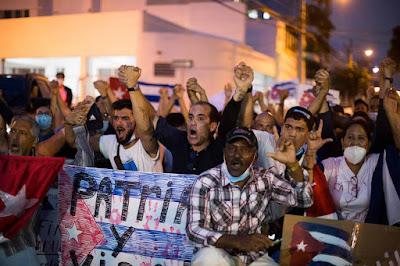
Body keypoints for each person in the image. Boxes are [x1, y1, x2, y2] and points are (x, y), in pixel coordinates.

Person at [186, 127, 315, 265]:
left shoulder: (265, 178)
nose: (236, 155)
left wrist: (293, 165)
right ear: (224, 152)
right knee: (208, 257)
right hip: (217, 253)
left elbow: (304, 199)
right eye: (232, 148)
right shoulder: (205, 181)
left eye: (245, 149)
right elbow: (194, 230)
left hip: (253, 257)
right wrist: (238, 241)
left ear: (255, 156)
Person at [128, 62, 254, 174]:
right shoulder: (179, 141)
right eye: (190, 117)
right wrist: (133, 87)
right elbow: (151, 117)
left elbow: (228, 123)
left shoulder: (219, 149)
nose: (193, 122)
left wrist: (239, 95)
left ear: (212, 126)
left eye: (200, 118)